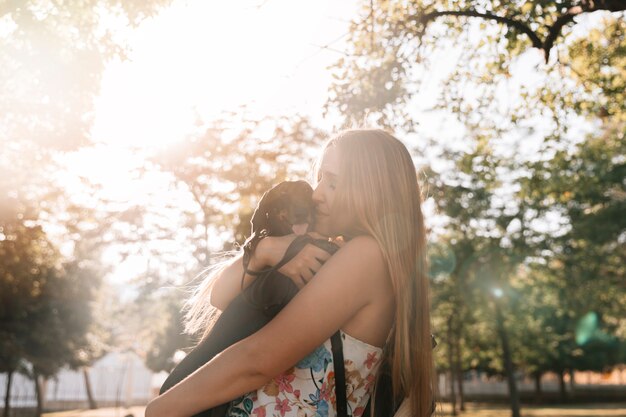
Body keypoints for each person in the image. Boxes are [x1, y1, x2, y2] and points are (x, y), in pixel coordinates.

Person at [146, 129, 435, 417]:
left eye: (333, 183)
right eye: (320, 178)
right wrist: (265, 251)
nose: (317, 193)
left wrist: (160, 410)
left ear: (371, 191)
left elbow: (258, 360)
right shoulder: (337, 254)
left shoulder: (365, 256)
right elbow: (220, 297)